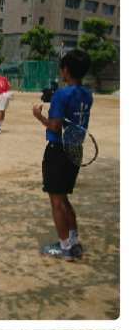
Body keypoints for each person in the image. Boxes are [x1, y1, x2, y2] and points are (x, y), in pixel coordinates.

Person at [32, 49, 93, 261]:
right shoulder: (87, 95)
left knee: (56, 201)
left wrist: (39, 116)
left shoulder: (62, 94)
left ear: (66, 70)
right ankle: (73, 242)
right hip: (75, 149)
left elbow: (55, 126)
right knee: (64, 198)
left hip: (58, 150)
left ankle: (65, 247)